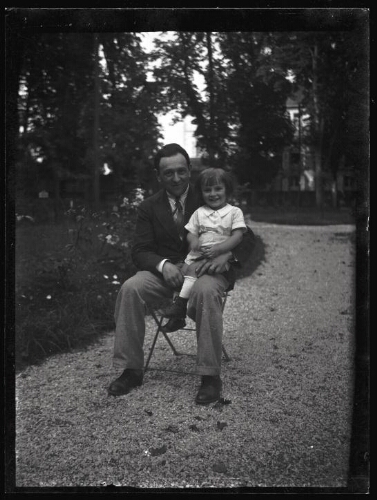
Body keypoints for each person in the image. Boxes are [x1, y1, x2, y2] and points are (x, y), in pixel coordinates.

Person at [108, 143, 255, 404]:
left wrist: (227, 255)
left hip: (206, 270)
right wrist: (163, 265)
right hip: (167, 274)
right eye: (168, 173)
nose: (176, 178)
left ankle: (210, 376)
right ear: (158, 176)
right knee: (131, 288)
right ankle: (131, 370)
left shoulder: (209, 194)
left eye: (181, 171)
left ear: (189, 170)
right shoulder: (149, 207)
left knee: (206, 291)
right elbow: (140, 250)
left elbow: (247, 238)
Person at [162, 167, 247, 333]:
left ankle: (180, 307)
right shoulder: (199, 213)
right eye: (207, 190)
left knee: (191, 270)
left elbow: (238, 236)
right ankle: (177, 317)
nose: (213, 194)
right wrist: (193, 241)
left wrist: (220, 249)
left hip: (218, 260)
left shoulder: (234, 212)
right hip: (198, 255)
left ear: (227, 190)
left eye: (218, 189)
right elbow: (191, 233)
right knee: (181, 272)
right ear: (201, 193)